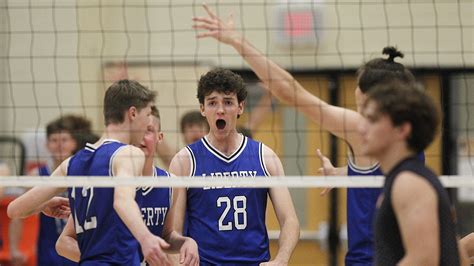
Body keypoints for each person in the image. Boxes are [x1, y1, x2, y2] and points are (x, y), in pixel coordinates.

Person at [192, 5, 420, 264]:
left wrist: (237, 41)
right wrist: (349, 173)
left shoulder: (362, 127)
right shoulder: (411, 137)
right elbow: (387, 177)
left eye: (358, 86)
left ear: (370, 94)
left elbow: (292, 93)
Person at [7, 80, 177, 265]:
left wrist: (43, 205)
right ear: (133, 113)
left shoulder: (71, 163)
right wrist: (146, 239)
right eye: (147, 115)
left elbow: (15, 210)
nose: (146, 125)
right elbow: (122, 201)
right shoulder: (128, 153)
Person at [162, 68, 300, 265]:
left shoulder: (265, 156)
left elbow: (290, 221)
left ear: (240, 107)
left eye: (228, 102)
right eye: (212, 103)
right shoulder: (185, 161)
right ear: (202, 109)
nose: (220, 110)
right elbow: (172, 232)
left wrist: (282, 259)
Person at [55, 106, 199, 265]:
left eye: (148, 130)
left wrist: (186, 242)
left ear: (159, 137)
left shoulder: (170, 183)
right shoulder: (106, 180)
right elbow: (64, 242)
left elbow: (166, 236)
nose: (141, 137)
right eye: (138, 130)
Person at [359, 81, 460, 264]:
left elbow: (423, 260)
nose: (361, 128)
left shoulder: (409, 183)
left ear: (402, 129)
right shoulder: (405, 178)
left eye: (372, 120)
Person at [10, 114, 97, 266]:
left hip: (77, 244)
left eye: (64, 140)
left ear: (73, 143)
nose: (59, 145)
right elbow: (17, 215)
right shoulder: (37, 175)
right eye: (54, 140)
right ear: (47, 145)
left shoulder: (86, 172)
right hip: (48, 247)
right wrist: (14, 249)